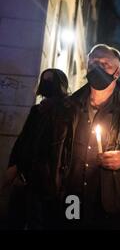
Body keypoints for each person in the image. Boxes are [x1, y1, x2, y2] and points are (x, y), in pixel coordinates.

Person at [54, 44, 120, 229]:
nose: (98, 68)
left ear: (117, 72)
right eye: (94, 63)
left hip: (115, 208)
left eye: (105, 64)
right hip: (72, 201)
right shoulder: (69, 106)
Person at [3, 68, 69, 229]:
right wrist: (14, 165)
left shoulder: (65, 112)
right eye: (44, 79)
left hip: (46, 181)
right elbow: (24, 140)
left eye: (50, 80)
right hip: (25, 175)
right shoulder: (37, 110)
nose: (46, 83)